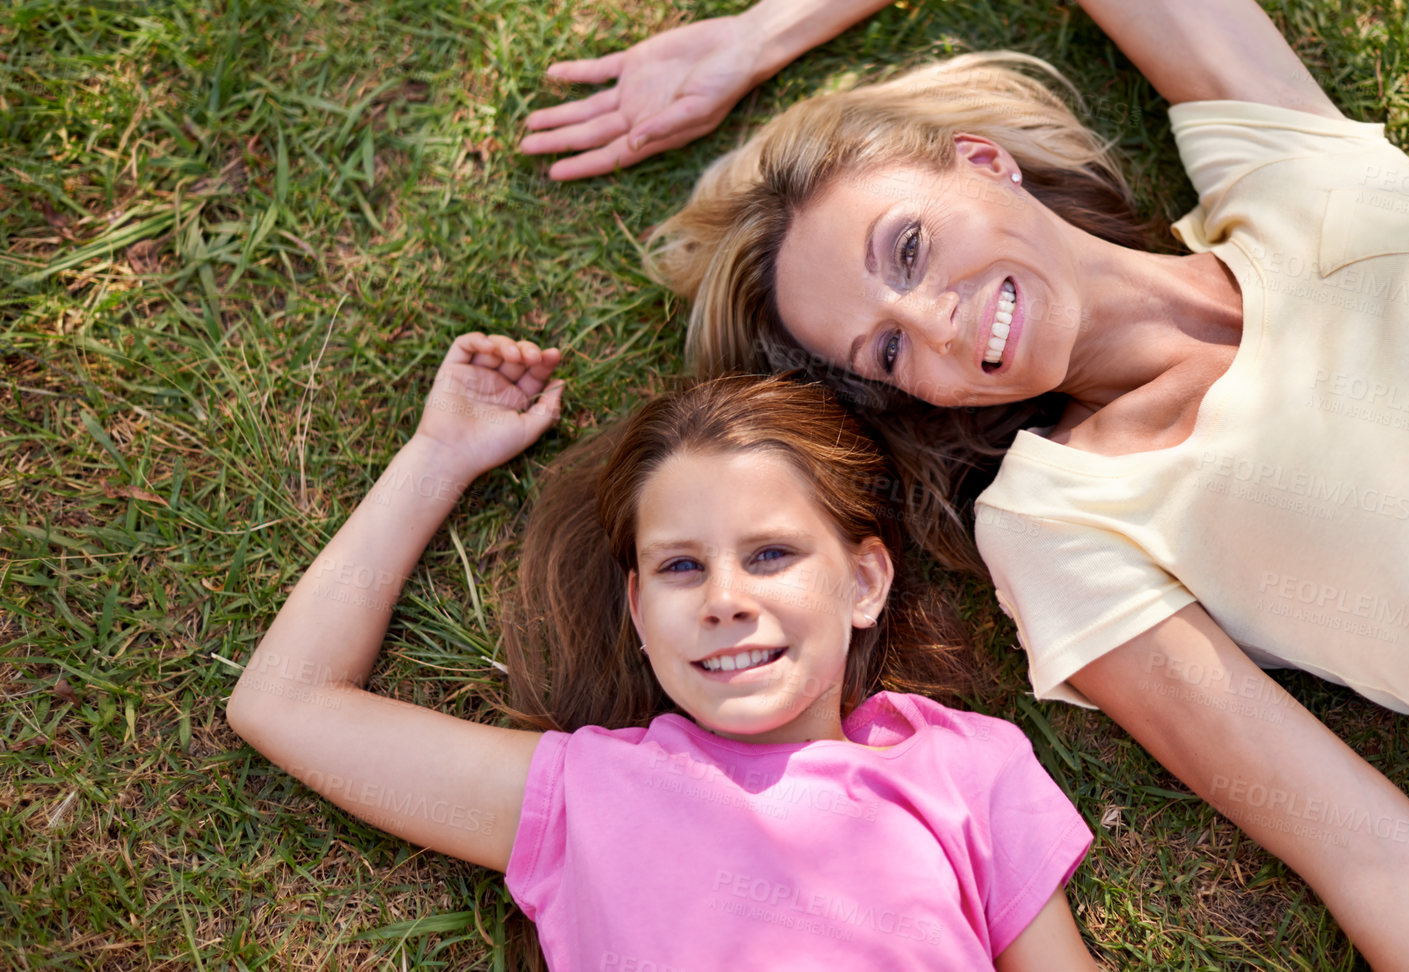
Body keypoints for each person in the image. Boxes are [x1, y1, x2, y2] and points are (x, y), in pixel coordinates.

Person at [517, 0, 1409, 966]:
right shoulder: (1065, 525)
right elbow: (1372, 850)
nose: (931, 319)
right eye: (887, 351)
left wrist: (751, 40)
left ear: (981, 163)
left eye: (907, 248)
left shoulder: (1295, 174)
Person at [223, 332, 1099, 972]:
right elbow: (285, 700)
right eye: (682, 567)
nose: (725, 599)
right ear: (641, 612)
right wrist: (437, 458)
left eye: (770, 555)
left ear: (864, 581)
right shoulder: (583, 797)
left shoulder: (961, 767)